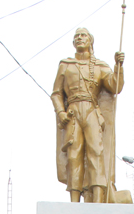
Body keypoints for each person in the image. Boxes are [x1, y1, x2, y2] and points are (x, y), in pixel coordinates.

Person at [51, 27, 125, 203]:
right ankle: (74, 201)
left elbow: (115, 86)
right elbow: (56, 93)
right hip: (73, 113)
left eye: (83, 35)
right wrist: (61, 112)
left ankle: (98, 199)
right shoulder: (65, 65)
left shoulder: (100, 66)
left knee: (96, 153)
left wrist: (118, 66)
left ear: (90, 41)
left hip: (92, 111)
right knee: (73, 155)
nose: (79, 38)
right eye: (76, 36)